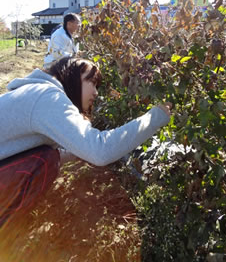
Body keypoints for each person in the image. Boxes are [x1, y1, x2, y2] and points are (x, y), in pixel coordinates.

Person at [0, 56, 171, 226]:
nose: (96, 92)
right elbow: (100, 151)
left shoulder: (34, 92)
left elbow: (51, 154)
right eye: (91, 82)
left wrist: (79, 151)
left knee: (50, 157)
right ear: (72, 76)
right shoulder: (48, 97)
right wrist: (156, 116)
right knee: (47, 160)